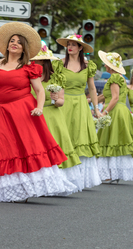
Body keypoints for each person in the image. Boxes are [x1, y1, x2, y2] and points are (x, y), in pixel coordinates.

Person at [0, 22, 76, 202]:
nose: (15, 43)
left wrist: (39, 107)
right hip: (4, 111)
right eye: (12, 40)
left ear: (23, 48)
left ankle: (31, 186)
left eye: (19, 42)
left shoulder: (28, 66)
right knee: (6, 146)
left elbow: (40, 91)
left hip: (25, 109)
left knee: (28, 146)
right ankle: (13, 189)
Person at [30, 43, 82, 192]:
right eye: (34, 60)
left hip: (52, 117)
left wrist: (54, 98)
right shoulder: (28, 76)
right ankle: (39, 184)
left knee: (53, 149)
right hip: (34, 117)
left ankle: (56, 184)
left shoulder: (56, 78)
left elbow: (61, 102)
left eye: (38, 60)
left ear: (45, 62)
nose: (35, 63)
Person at [53, 34, 102, 189]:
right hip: (63, 102)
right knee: (63, 136)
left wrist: (96, 109)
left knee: (79, 137)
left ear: (80, 48)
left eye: (74, 44)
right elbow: (53, 84)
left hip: (81, 103)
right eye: (68, 44)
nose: (70, 47)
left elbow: (92, 88)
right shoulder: (59, 64)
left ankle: (77, 178)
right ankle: (60, 177)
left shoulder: (88, 66)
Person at [97, 51, 133, 182]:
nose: (104, 65)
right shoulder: (118, 77)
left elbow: (114, 98)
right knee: (115, 140)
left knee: (111, 140)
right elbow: (107, 96)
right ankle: (114, 173)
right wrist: (91, 100)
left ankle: (111, 173)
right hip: (120, 110)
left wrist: (104, 112)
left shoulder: (115, 78)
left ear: (110, 65)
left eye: (106, 63)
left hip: (115, 110)